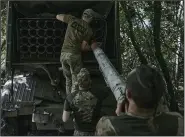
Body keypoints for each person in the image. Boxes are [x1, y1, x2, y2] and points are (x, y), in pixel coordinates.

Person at [95, 65, 184, 136]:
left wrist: (120, 118)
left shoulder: (107, 126)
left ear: (128, 94)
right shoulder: (178, 123)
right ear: (160, 97)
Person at [56, 9, 101, 95]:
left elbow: (58, 16)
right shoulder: (88, 30)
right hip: (74, 56)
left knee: (68, 80)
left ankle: (68, 102)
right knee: (76, 82)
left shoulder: (72, 19)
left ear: (82, 15)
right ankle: (74, 104)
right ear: (91, 18)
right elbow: (83, 48)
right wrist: (94, 47)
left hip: (63, 55)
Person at [62, 68, 102, 136]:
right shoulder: (99, 95)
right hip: (94, 133)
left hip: (79, 133)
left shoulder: (70, 97)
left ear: (77, 82)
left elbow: (65, 119)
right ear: (90, 81)